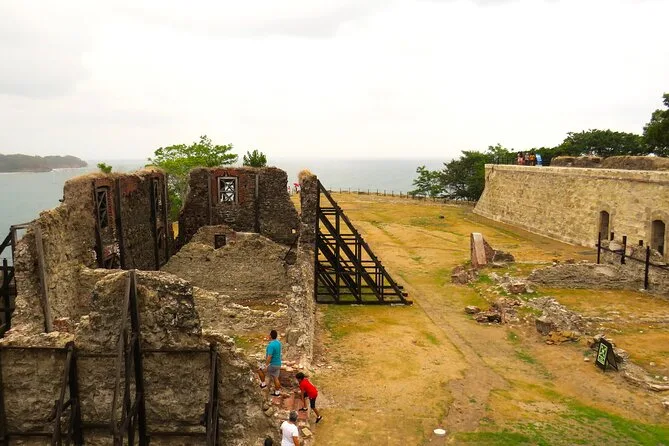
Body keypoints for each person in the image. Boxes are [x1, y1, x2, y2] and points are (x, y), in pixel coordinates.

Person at [258, 329, 282, 396]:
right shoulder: (278, 343)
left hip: (272, 364)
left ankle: (263, 384)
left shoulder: (271, 345)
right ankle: (277, 392)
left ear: (270, 336)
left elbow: (269, 356)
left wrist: (266, 366)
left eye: (269, 334)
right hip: (278, 364)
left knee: (260, 369)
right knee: (276, 378)